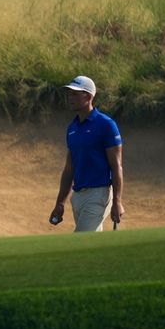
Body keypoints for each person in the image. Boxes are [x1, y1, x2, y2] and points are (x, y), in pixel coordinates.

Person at [49, 76, 124, 232]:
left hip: (99, 194)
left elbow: (116, 167)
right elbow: (70, 169)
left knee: (81, 241)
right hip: (77, 197)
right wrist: (60, 203)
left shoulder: (106, 125)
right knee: (93, 246)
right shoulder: (72, 128)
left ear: (89, 96)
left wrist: (117, 201)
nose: (70, 97)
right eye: (69, 93)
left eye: (75, 94)